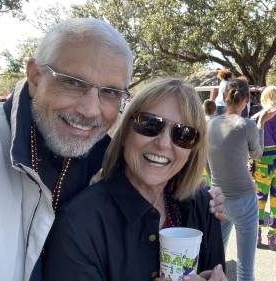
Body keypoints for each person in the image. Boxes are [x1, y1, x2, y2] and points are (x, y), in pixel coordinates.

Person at [0, 18, 225, 281]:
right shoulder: (80, 219)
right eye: (73, 82)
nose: (90, 109)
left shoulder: (201, 206)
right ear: (35, 77)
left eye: (184, 134)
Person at [43, 78, 227, 281]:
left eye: (183, 134)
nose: (164, 144)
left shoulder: (202, 205)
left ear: (193, 149)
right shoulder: (78, 224)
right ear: (125, 132)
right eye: (150, 124)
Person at [208, 79, 276, 281]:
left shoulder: (210, 124)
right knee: (245, 269)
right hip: (244, 199)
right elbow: (257, 155)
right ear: (247, 99)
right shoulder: (247, 125)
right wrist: (261, 124)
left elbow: (206, 164)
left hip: (218, 198)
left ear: (223, 97)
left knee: (216, 263)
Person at [250, 86, 276, 249]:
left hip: (262, 163)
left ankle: (258, 233)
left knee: (260, 200)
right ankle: (272, 236)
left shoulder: (255, 118)